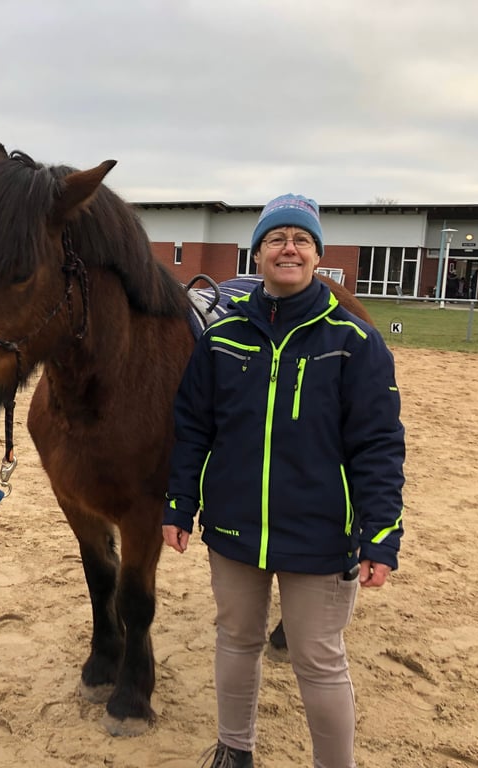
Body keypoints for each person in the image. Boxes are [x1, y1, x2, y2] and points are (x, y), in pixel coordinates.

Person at [162, 194, 405, 768]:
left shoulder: (355, 342)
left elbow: (378, 445)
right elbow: (193, 427)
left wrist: (381, 534)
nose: (288, 248)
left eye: (301, 239)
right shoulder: (222, 340)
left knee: (318, 660)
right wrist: (178, 504)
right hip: (234, 525)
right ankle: (234, 749)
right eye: (276, 239)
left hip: (319, 536)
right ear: (259, 254)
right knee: (236, 641)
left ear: (317, 255)